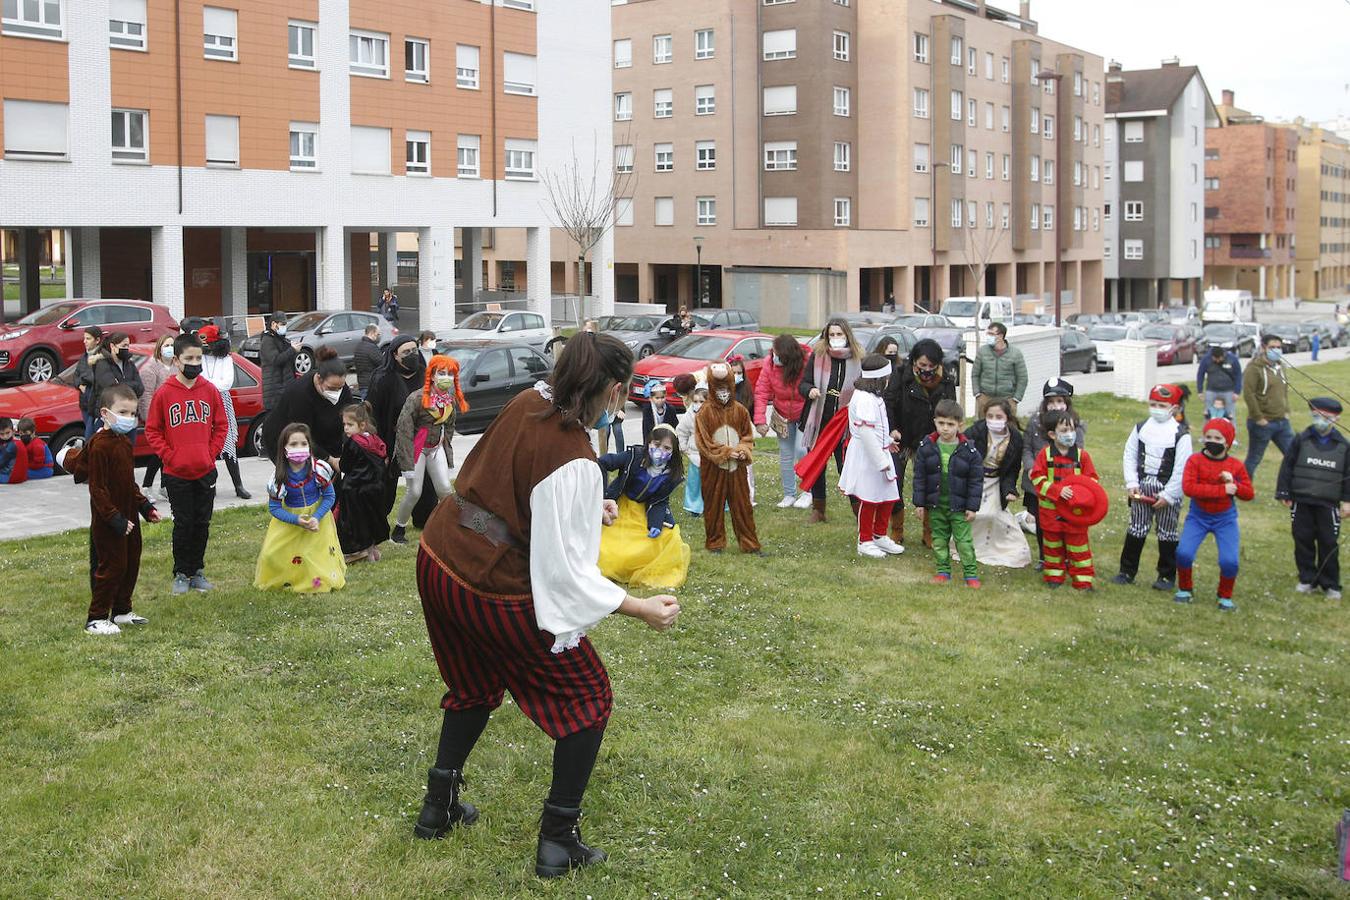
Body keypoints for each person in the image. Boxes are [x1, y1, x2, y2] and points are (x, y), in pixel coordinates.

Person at [411, 331, 680, 878]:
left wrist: (587, 504)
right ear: (613, 389)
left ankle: (437, 809)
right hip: (487, 583)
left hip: (440, 558)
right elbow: (567, 576)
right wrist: (639, 607)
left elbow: (520, 485)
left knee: (474, 685)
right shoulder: (574, 454)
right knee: (587, 698)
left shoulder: (527, 402)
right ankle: (558, 842)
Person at [61, 384, 161, 634]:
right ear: (105, 413)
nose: (129, 419)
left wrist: (145, 507)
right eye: (123, 412)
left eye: (132, 414)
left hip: (129, 517)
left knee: (130, 562)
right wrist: (114, 517)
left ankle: (122, 611)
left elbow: (128, 483)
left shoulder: (124, 444)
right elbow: (98, 489)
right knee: (111, 566)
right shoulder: (100, 445)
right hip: (109, 521)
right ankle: (96, 617)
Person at [144, 333, 228, 595]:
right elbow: (153, 430)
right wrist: (169, 455)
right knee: (183, 523)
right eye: (189, 358)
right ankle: (181, 572)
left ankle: (197, 571)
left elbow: (221, 426)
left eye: (198, 358)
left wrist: (210, 453)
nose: (194, 363)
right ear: (177, 361)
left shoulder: (209, 390)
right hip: (176, 472)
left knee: (202, 523)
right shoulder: (164, 393)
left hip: (205, 470)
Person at [1113, 384, 1192, 591]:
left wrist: (1169, 494)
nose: (1157, 408)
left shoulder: (1181, 435)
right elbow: (1129, 455)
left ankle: (1166, 575)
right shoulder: (1140, 428)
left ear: (1173, 408)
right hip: (1141, 487)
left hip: (1166, 490)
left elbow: (1182, 468)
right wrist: (1131, 483)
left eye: (1162, 405)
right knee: (1136, 528)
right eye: (1153, 404)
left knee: (1167, 532)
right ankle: (1126, 571)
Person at [254, 422, 346, 593]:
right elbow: (274, 508)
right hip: (290, 521)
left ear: (310, 446)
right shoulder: (279, 477)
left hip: (317, 519)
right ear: (284, 448)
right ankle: (288, 578)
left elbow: (329, 496)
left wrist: (316, 517)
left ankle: (316, 581)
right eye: (293, 444)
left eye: (303, 443)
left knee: (313, 554)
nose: (299, 447)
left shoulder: (319, 469)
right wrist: (296, 520)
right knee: (272, 554)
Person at [1174, 418, 1254, 611]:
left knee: (1230, 561)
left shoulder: (1235, 465)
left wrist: (1234, 484)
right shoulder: (1195, 460)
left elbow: (1249, 493)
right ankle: (1185, 589)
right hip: (1198, 516)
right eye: (1208, 436)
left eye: (1217, 438)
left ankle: (1225, 596)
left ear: (1227, 442)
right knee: (1183, 553)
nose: (1212, 441)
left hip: (1225, 518)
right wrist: (1223, 490)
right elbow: (1189, 488)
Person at [596, 423, 690, 588]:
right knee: (610, 545)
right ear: (649, 443)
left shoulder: (671, 475)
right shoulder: (634, 456)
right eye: (657, 444)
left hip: (643, 511)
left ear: (673, 452)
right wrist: (602, 495)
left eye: (667, 448)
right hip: (620, 506)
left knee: (666, 536)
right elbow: (602, 462)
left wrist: (655, 523)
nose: (660, 450)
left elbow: (659, 501)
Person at [884, 338, 957, 546]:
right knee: (894, 483)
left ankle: (929, 532)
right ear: (914, 362)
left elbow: (950, 411)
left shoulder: (946, 382)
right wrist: (892, 428)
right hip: (901, 438)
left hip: (930, 441)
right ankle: (896, 530)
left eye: (931, 366)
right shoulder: (901, 375)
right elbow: (889, 403)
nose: (926, 370)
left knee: (930, 486)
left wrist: (942, 436)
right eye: (922, 365)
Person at [1276, 398, 1349, 600]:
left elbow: (1348, 475)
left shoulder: (1343, 445)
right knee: (1303, 540)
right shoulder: (1301, 439)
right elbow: (1287, 466)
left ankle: (1330, 583)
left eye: (1326, 417)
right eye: (1317, 416)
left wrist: (1347, 501)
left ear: (1336, 419)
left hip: (1328, 504)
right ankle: (1307, 578)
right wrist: (1284, 492)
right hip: (1302, 501)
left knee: (1328, 542)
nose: (1321, 421)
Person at [392, 356, 466, 545]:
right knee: (414, 491)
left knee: (445, 488)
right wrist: (407, 460)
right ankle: (399, 530)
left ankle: (448, 526)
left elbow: (450, 425)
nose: (446, 378)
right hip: (417, 448)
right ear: (432, 375)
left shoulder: (449, 399)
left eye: (450, 374)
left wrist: (445, 445)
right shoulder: (416, 398)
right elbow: (404, 429)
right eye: (442, 373)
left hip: (436, 447)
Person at [837, 354, 904, 558]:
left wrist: (887, 442)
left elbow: (877, 428)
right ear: (879, 378)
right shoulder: (864, 398)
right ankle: (864, 540)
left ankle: (879, 535)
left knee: (888, 496)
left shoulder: (874, 396)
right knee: (869, 498)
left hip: (879, 452)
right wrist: (880, 460)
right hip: (868, 457)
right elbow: (866, 433)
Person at [913, 399, 984, 586]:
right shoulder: (926, 447)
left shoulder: (970, 451)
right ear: (935, 421)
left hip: (959, 507)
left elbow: (976, 481)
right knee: (939, 539)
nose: (945, 428)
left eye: (950, 424)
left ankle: (970, 573)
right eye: (941, 423)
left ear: (960, 425)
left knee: (964, 542)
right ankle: (943, 570)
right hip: (936, 505)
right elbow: (919, 477)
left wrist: (972, 507)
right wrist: (919, 503)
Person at [799, 319, 864, 523]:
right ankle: (819, 509)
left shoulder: (857, 359)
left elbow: (865, 387)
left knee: (846, 466)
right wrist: (809, 390)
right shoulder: (818, 356)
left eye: (839, 334)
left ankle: (858, 509)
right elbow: (804, 383)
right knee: (817, 465)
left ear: (847, 335)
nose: (836, 338)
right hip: (819, 423)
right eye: (832, 335)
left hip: (845, 426)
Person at [1029, 410, 1102, 590]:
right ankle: (1054, 576)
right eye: (1064, 430)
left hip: (1075, 513)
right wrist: (1057, 491)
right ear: (1053, 434)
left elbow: (1092, 480)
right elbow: (1038, 479)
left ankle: (1083, 579)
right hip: (1051, 513)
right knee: (1052, 547)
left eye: (1072, 429)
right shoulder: (1044, 456)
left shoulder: (1082, 456)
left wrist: (1080, 496)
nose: (1070, 434)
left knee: (1078, 546)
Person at [695, 362, 761, 554]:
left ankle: (750, 543)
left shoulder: (740, 410)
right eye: (718, 388)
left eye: (726, 388)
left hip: (736, 469)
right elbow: (704, 442)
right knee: (713, 507)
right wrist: (724, 452)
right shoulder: (704, 412)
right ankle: (715, 542)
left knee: (743, 507)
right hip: (713, 470)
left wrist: (742, 450)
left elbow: (747, 436)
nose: (723, 393)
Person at [1020, 379, 1087, 565]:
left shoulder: (1074, 425)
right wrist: (1032, 467)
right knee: (1042, 522)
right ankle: (1044, 557)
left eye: (1059, 401)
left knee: (1065, 521)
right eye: (1051, 402)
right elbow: (1027, 448)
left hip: (1065, 482)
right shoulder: (1035, 422)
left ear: (1067, 402)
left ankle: (1066, 557)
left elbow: (1079, 452)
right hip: (1038, 483)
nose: (1055, 406)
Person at [964, 398, 1032, 568]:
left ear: (1007, 418)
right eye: (990, 416)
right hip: (975, 480)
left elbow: (1012, 470)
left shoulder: (1015, 439)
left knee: (994, 515)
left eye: (998, 416)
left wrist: (1009, 490)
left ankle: (1004, 547)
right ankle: (967, 546)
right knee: (976, 513)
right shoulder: (976, 431)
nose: (994, 420)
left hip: (996, 482)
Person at [366, 335, 427, 523]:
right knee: (386, 483)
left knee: (424, 482)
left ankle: (423, 518)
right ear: (395, 355)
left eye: (414, 350)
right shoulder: (383, 378)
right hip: (390, 438)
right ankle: (376, 520)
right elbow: (372, 412)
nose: (412, 355)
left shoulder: (424, 374)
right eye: (406, 352)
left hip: (420, 438)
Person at [263, 347, 353, 468]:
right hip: (286, 437)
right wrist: (330, 460)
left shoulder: (341, 387)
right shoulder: (300, 394)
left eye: (340, 387)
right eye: (332, 388)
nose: (337, 392)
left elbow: (349, 420)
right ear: (319, 378)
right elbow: (303, 436)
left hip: (322, 434)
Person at [753, 333, 810, 509]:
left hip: (804, 414)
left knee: (802, 451)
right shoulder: (769, 364)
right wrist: (760, 420)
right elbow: (762, 392)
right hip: (781, 415)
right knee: (785, 455)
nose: (775, 356)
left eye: (779, 354)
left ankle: (808, 492)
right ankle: (789, 494)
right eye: (774, 353)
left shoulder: (806, 363)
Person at [198, 325, 251, 499]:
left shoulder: (227, 359)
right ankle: (209, 485)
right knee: (205, 445)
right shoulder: (199, 359)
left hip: (223, 403)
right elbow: (199, 380)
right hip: (203, 404)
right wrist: (212, 384)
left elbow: (227, 383)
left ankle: (238, 485)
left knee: (228, 444)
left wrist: (208, 385)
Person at [336, 402, 390, 563]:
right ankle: (373, 550)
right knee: (372, 519)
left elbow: (344, 465)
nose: (346, 428)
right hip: (375, 488)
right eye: (344, 424)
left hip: (355, 489)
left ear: (362, 425)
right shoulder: (375, 440)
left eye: (349, 424)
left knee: (357, 523)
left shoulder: (353, 443)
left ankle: (359, 551)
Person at [1242, 334, 1294, 479]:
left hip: (1282, 422)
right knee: (1254, 458)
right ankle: (1244, 487)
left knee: (1293, 455)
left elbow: (1284, 390)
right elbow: (1249, 394)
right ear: (1264, 348)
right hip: (1262, 422)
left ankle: (1292, 488)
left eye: (1278, 347)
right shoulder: (1254, 368)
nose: (1276, 350)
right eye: (1272, 347)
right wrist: (1258, 417)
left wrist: (1286, 410)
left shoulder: (1280, 367)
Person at [139, 333, 178, 497]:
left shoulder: (177, 366)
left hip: (173, 416)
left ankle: (164, 485)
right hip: (158, 417)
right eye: (166, 345)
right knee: (158, 453)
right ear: (159, 348)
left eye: (172, 345)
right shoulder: (151, 368)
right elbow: (146, 395)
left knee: (167, 453)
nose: (169, 349)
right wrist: (149, 418)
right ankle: (147, 486)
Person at [88, 332, 144, 440]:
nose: (126, 348)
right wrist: (129, 385)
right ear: (112, 346)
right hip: (109, 417)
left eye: (128, 345)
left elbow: (140, 387)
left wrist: (121, 383)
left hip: (128, 417)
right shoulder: (102, 364)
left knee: (126, 449)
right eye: (123, 346)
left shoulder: (130, 364)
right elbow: (111, 388)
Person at [970, 322, 1028, 418]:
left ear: (1001, 336)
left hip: (1007, 399)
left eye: (992, 334)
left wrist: (1016, 399)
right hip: (985, 398)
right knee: (983, 428)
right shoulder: (982, 351)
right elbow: (975, 374)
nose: (989, 337)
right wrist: (977, 394)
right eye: (988, 334)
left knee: (1008, 428)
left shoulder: (1016, 354)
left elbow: (1022, 377)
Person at [674, 375, 706, 516]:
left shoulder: (715, 414)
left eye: (702, 401)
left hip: (713, 455)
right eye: (696, 401)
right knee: (694, 483)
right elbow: (681, 430)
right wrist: (683, 446)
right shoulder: (689, 415)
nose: (698, 404)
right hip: (695, 454)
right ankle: (694, 507)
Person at [727, 355, 755, 506]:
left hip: (744, 435)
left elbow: (753, 413)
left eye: (739, 373)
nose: (736, 376)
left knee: (746, 467)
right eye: (733, 373)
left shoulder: (747, 392)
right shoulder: (723, 392)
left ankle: (748, 497)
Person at [259, 312, 299, 413]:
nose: (284, 327)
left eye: (285, 325)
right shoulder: (267, 340)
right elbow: (276, 360)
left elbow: (287, 359)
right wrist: (292, 350)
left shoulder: (280, 339)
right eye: (282, 325)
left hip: (284, 388)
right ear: (273, 324)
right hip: (275, 391)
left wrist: (292, 348)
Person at [73, 326, 105, 440]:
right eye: (84, 338)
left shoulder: (102, 357)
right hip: (85, 403)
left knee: (91, 437)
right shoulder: (84, 356)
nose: (84, 341)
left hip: (96, 405)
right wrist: (80, 385)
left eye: (88, 339)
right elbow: (76, 375)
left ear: (97, 340)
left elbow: (95, 377)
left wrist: (84, 379)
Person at [1196, 344, 1242, 422]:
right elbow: (1200, 374)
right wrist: (1200, 390)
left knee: (1230, 415)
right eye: (1215, 359)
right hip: (1211, 390)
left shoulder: (1232, 359)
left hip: (1228, 391)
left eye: (1219, 359)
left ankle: (1230, 432)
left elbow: (1238, 375)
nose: (1217, 361)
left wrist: (1237, 392)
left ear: (1223, 355)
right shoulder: (1206, 359)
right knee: (1209, 415)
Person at [353, 323, 383, 397]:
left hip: (362, 383)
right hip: (371, 384)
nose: (379, 336)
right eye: (378, 334)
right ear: (372, 333)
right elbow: (382, 363)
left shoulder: (358, 346)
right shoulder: (372, 348)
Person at [0, 417, 28, 485]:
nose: (5, 436)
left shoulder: (12, 446)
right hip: (14, 475)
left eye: (7, 433)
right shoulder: (11, 442)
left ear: (13, 431)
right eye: (2, 434)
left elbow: (1, 462)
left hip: (10, 476)